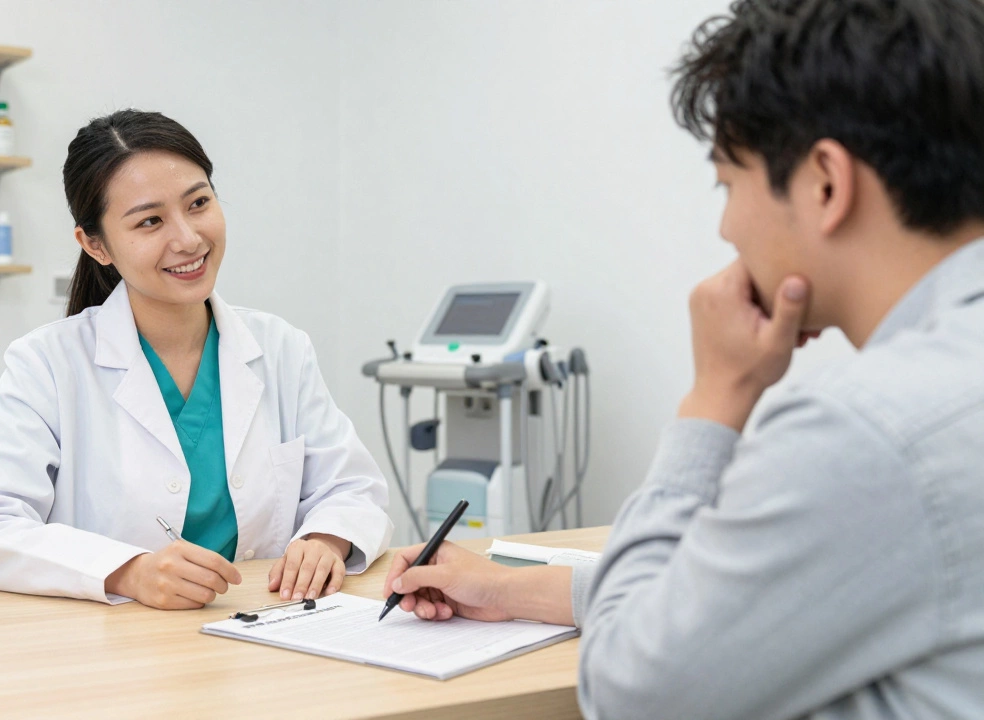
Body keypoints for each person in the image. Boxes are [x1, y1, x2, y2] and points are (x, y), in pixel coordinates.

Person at [383, 1, 984, 717]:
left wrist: (715, 397)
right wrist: (506, 587)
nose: (727, 226)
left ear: (826, 182)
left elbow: (632, 692)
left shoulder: (866, 432)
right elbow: (745, 597)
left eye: (729, 184)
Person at [0, 109, 393, 610]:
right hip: (115, 648)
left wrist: (325, 541)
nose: (188, 239)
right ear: (95, 244)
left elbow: (353, 487)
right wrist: (127, 572)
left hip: (263, 631)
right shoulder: (47, 363)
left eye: (198, 203)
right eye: (150, 220)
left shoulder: (281, 347)